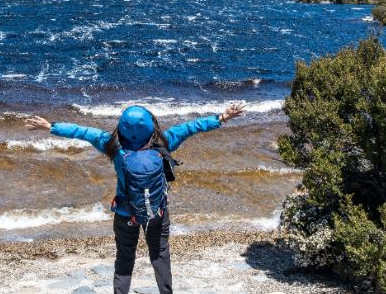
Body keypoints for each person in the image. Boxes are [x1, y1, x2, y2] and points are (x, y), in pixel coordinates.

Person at [26, 102, 245, 294]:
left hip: (125, 214)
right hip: (157, 213)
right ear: (151, 126)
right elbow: (192, 127)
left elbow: (81, 131)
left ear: (121, 127)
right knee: (160, 256)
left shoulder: (111, 145)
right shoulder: (164, 142)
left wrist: (50, 127)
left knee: (124, 260)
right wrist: (222, 118)